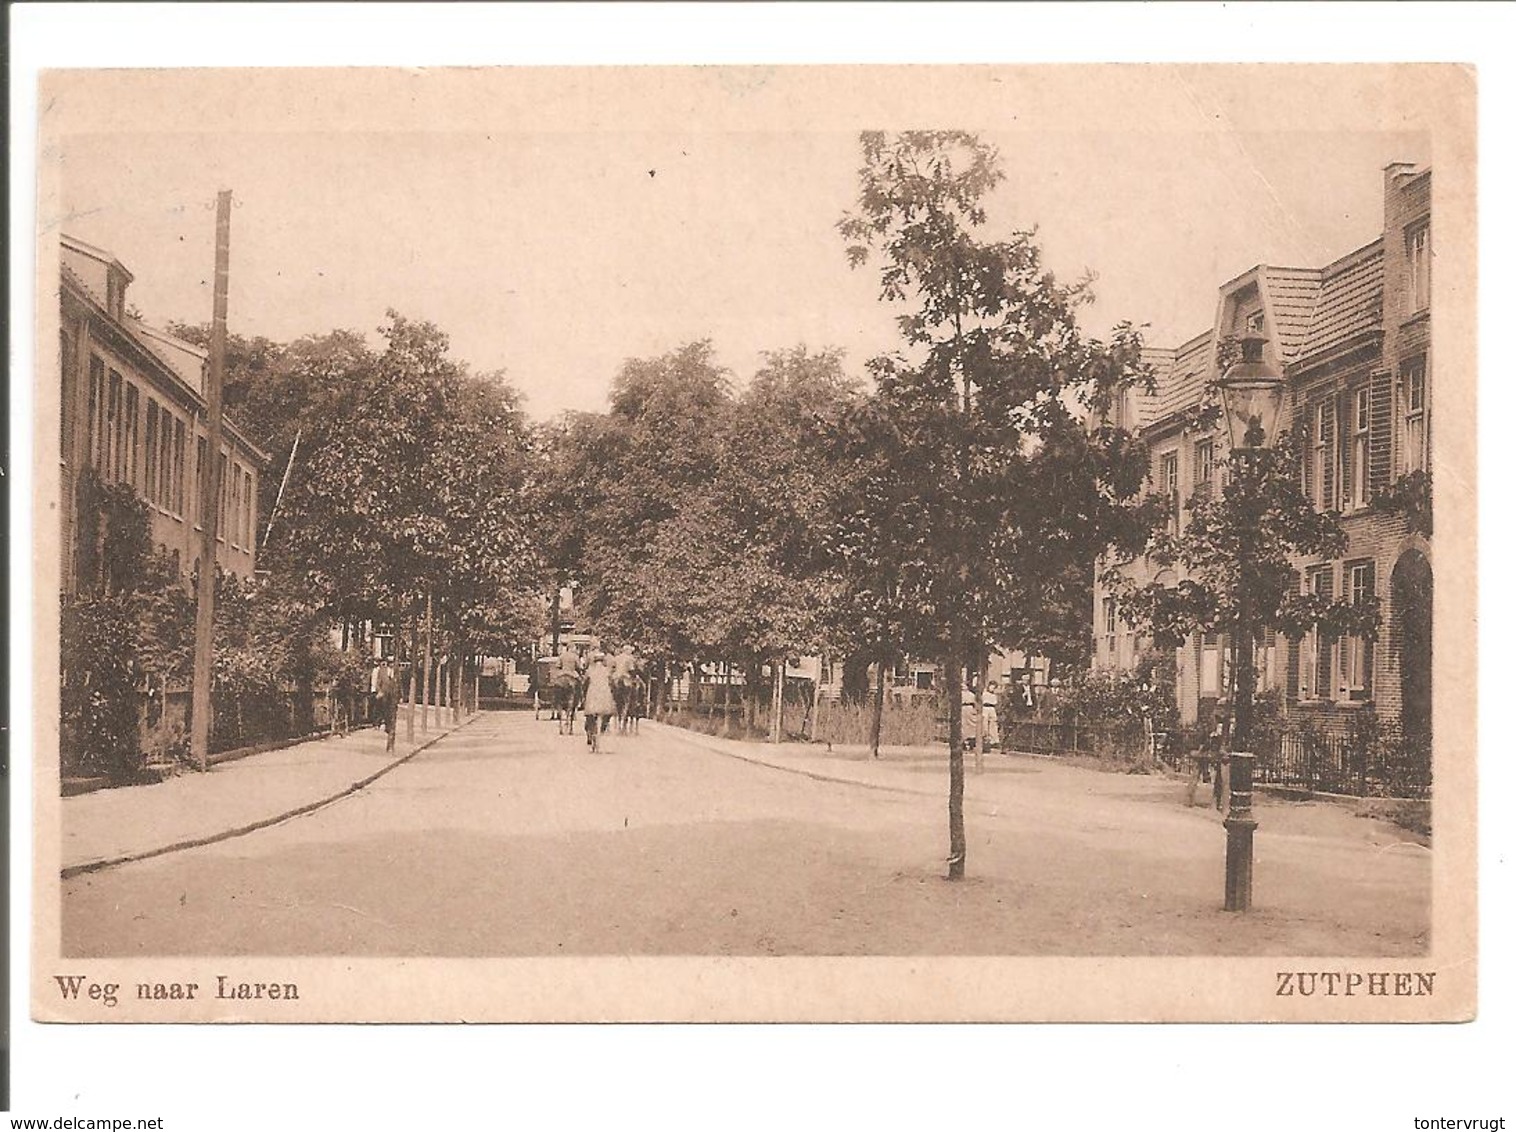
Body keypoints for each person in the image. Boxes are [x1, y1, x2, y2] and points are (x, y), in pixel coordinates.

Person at [582, 650, 616, 751]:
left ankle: (592, 733)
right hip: (604, 695)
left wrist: (584, 693)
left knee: (589, 716)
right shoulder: (607, 671)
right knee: (608, 714)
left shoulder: (590, 671)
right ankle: (601, 730)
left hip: (592, 695)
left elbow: (585, 683)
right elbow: (612, 683)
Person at [375, 662, 400, 753]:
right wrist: (380, 691)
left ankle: (390, 745)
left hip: (393, 700)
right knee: (385, 716)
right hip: (384, 698)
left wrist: (400, 697)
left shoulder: (397, 672)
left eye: (393, 662)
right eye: (389, 662)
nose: (391, 664)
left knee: (392, 721)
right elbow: (378, 683)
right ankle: (383, 725)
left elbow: (399, 685)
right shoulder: (382, 672)